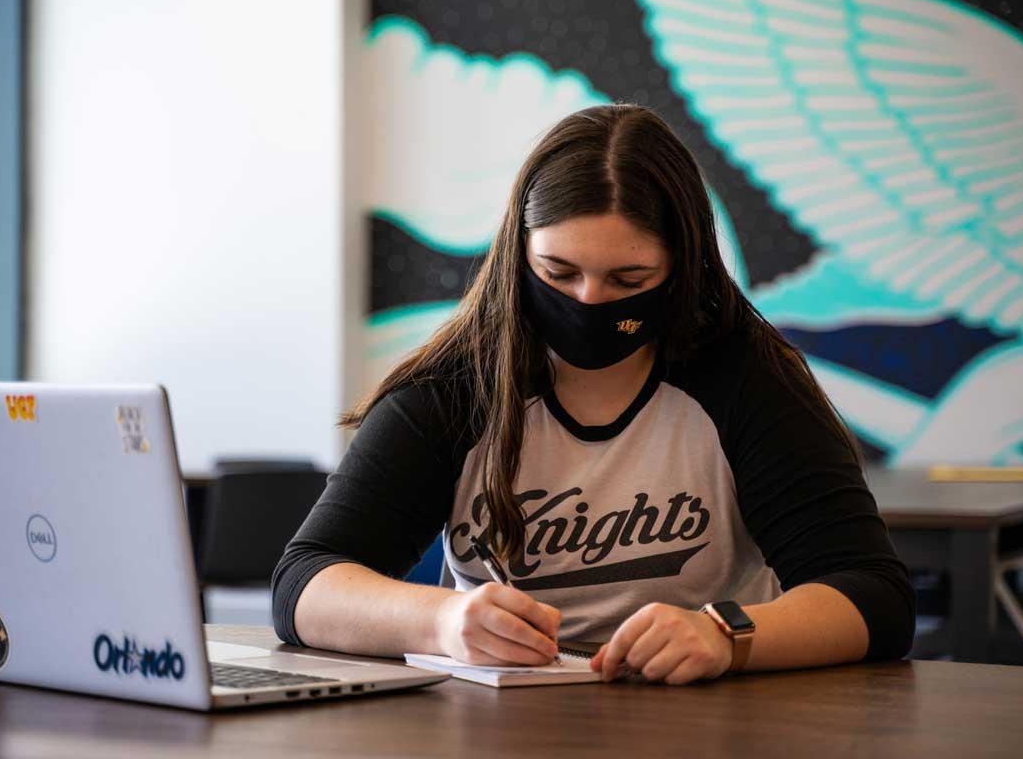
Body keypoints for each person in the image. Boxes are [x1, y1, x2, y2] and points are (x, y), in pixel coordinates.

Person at [272, 104, 915, 685]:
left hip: (704, 719)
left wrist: (726, 635)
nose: (588, 301)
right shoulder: (453, 388)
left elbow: (874, 595)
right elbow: (305, 584)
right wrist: (442, 621)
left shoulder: (749, 380)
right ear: (518, 255)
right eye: (559, 272)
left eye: (629, 278)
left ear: (681, 268)